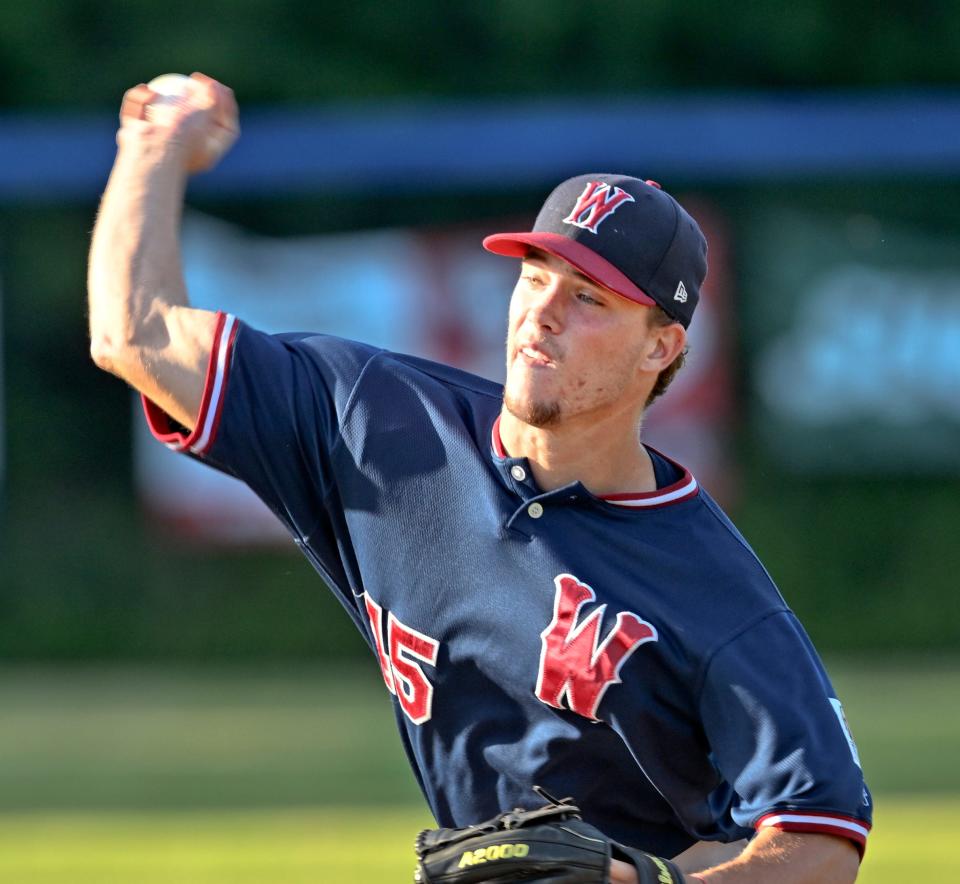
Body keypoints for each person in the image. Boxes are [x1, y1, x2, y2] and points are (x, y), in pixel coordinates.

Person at [88, 74, 872, 883]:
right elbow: (132, 336)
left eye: (588, 298)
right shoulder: (374, 422)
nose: (542, 312)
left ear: (661, 348)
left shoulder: (713, 592)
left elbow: (822, 841)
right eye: (534, 277)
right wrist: (156, 145)